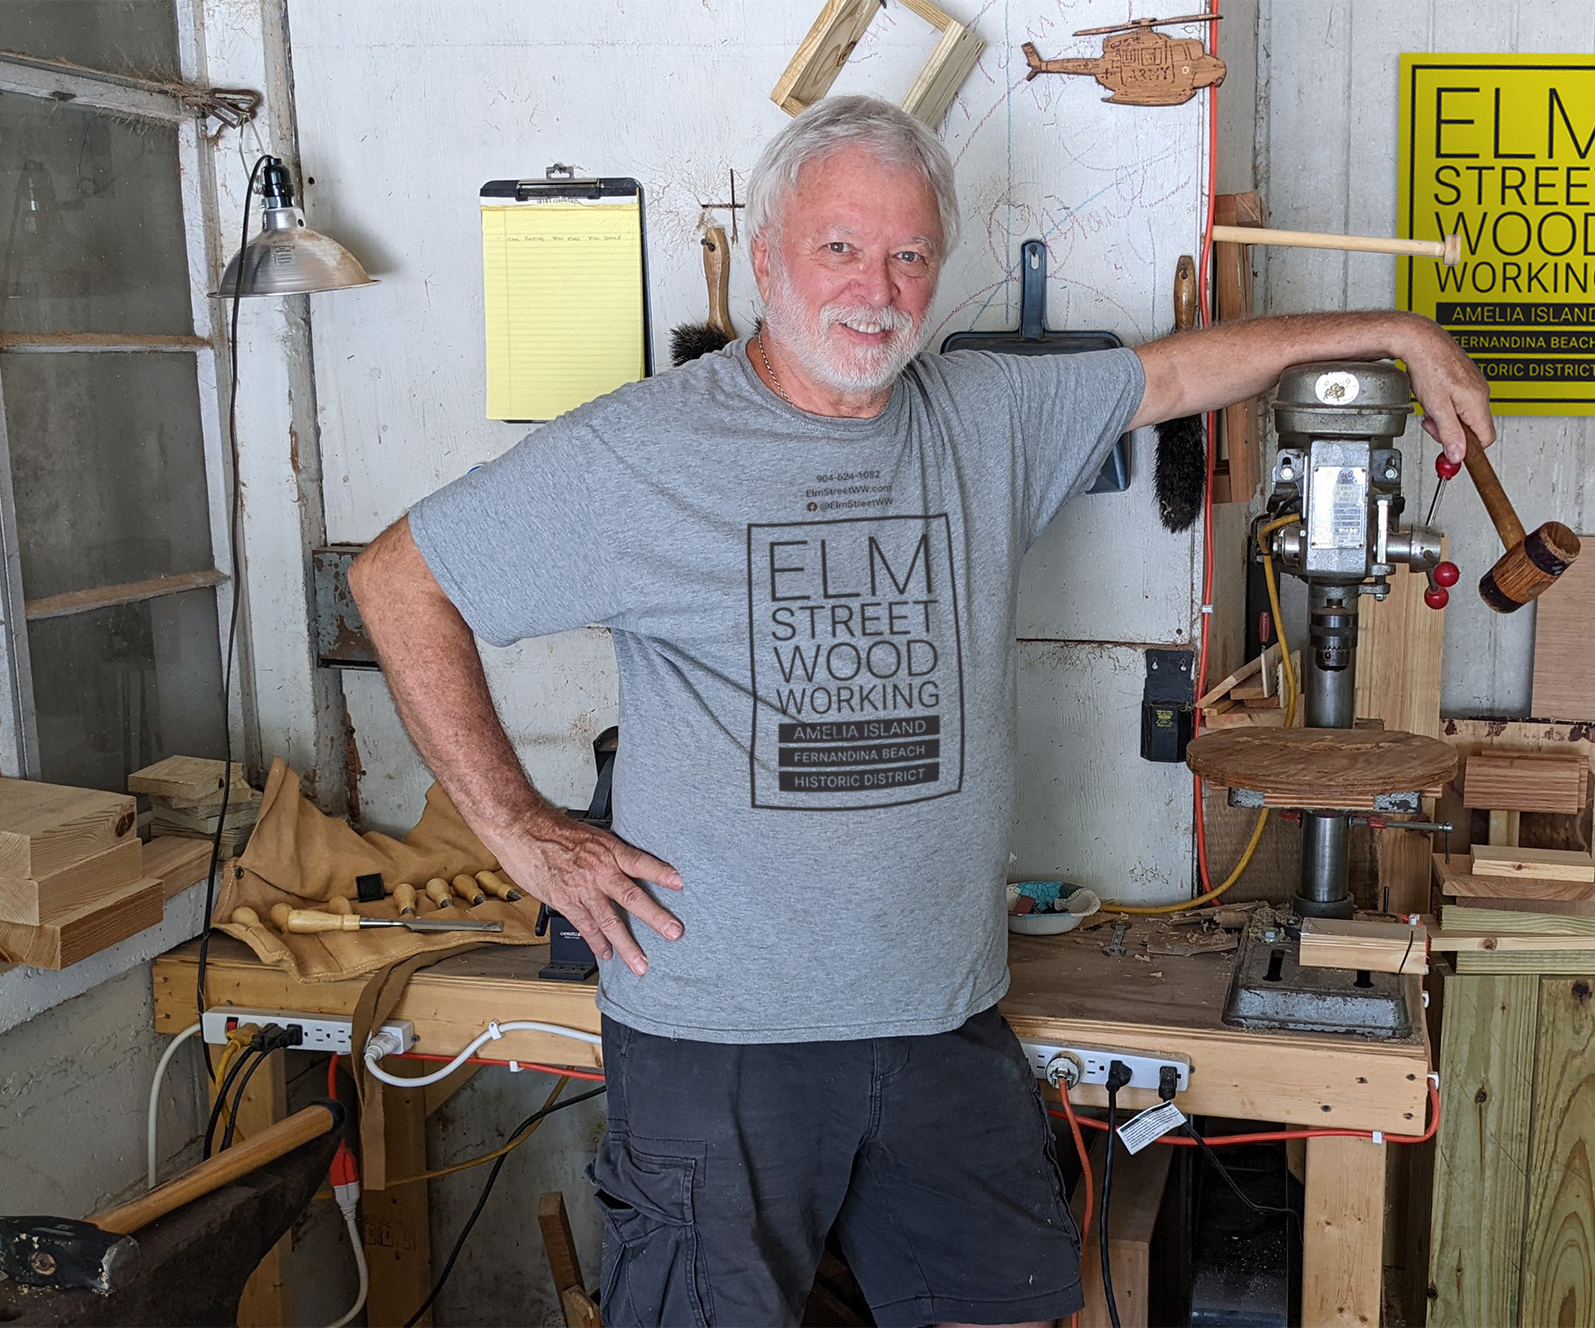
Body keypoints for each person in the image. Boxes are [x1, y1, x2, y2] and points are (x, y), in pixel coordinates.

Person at [349, 94, 1490, 1328]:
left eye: (908, 254)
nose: (875, 287)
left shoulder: (982, 412)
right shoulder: (648, 447)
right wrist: (520, 827)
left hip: (940, 1014)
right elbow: (398, 577)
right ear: (772, 253)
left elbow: (1181, 372)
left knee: (1004, 1308)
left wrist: (1395, 328)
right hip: (721, 1034)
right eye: (840, 247)